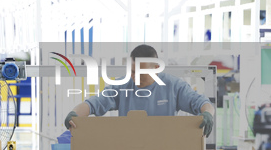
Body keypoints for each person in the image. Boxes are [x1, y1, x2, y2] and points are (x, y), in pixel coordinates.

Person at [64, 44, 214, 137]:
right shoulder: (122, 86)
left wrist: (207, 114)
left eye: (141, 72)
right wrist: (74, 114)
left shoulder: (173, 86)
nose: (134, 77)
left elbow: (202, 103)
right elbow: (94, 103)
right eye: (132, 71)